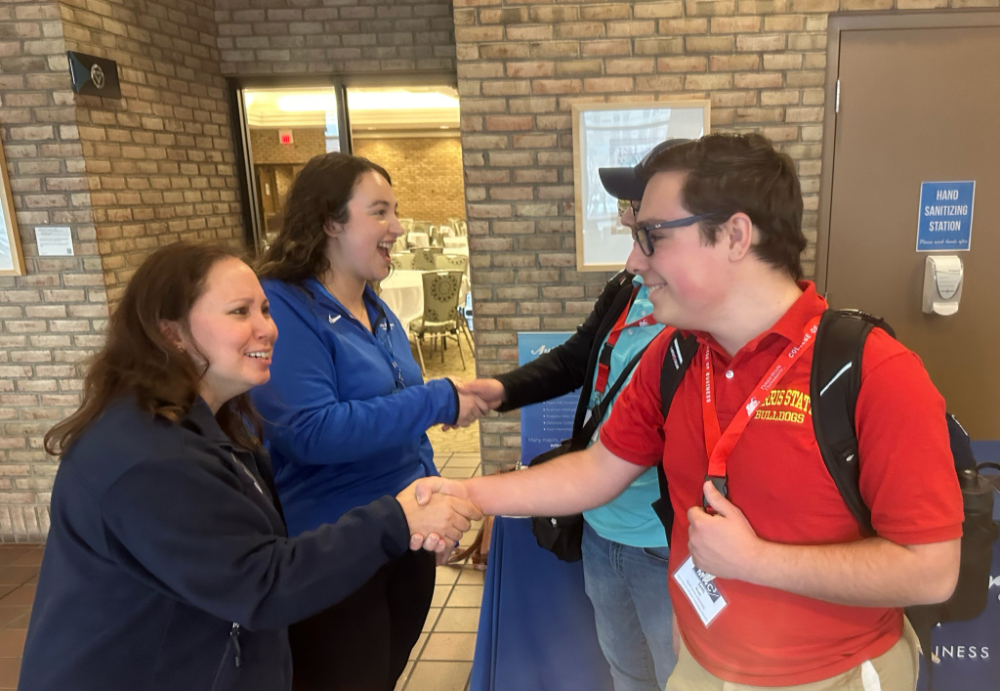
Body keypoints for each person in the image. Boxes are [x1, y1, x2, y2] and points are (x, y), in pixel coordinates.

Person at [414, 134, 964, 691]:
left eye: (651, 236)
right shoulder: (675, 357)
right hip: (700, 666)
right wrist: (467, 494)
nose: (634, 262)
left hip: (833, 676)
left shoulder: (873, 371)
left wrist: (756, 561)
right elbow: (597, 470)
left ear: (735, 235)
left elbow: (931, 570)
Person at [18, 242, 480, 691]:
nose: (268, 329)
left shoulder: (212, 423)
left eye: (265, 309)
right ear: (171, 333)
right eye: (240, 312)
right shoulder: (146, 459)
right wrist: (397, 519)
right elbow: (261, 583)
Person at [250, 152, 488, 691]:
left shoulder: (376, 309)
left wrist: (433, 495)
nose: (397, 227)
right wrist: (439, 399)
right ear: (329, 222)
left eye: (394, 212)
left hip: (403, 536)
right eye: (379, 212)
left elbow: (406, 424)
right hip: (335, 551)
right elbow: (310, 432)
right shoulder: (284, 310)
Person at [460, 141, 692, 691]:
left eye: (645, 226)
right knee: (625, 670)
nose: (633, 253)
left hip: (661, 542)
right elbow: (575, 359)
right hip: (601, 528)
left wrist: (463, 496)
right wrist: (501, 390)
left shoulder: (700, 322)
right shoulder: (627, 288)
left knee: (678, 678)